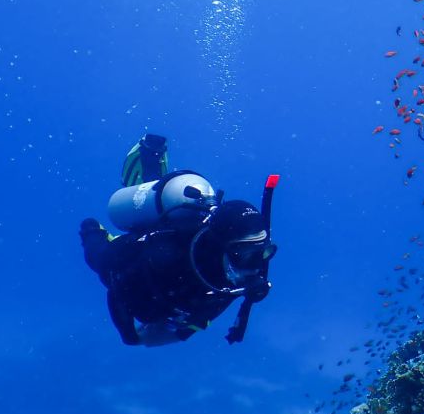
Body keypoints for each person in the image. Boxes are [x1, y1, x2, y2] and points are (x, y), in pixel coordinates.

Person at [79, 134, 279, 346]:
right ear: (219, 248)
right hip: (138, 254)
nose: (256, 265)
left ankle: (151, 163)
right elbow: (117, 289)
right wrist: (130, 336)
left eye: (265, 252)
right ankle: (93, 228)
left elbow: (203, 315)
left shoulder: (232, 272)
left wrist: (179, 333)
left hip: (173, 272)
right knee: (101, 261)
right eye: (246, 254)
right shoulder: (165, 259)